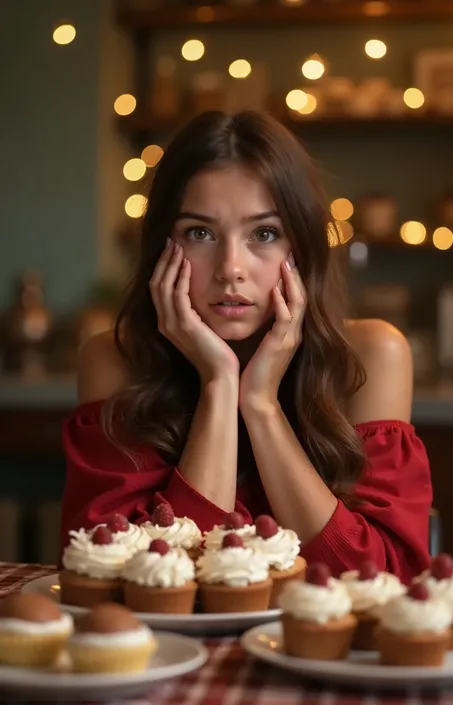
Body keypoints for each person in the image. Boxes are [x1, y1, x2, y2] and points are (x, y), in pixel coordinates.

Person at [60, 110, 432, 583]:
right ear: (161, 248)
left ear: (302, 249)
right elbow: (139, 584)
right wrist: (219, 382)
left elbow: (382, 582)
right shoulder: (113, 359)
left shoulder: (373, 354)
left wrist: (260, 404)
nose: (230, 267)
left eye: (265, 234)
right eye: (200, 233)